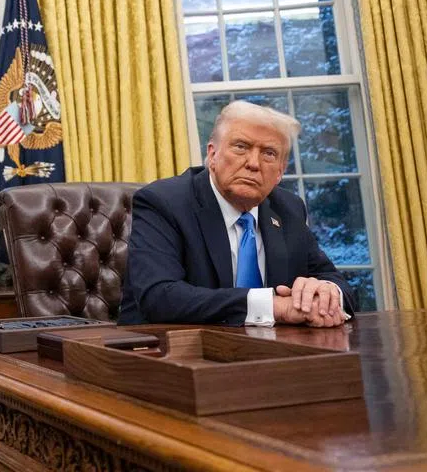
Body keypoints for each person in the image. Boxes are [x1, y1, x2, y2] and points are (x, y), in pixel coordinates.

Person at [119, 101, 357, 327]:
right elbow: (159, 297)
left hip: (271, 349)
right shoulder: (164, 202)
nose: (253, 163)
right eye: (241, 147)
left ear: (280, 172)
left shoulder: (288, 209)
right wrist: (274, 307)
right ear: (212, 155)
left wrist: (326, 294)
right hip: (165, 349)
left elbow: (339, 285)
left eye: (269, 153)